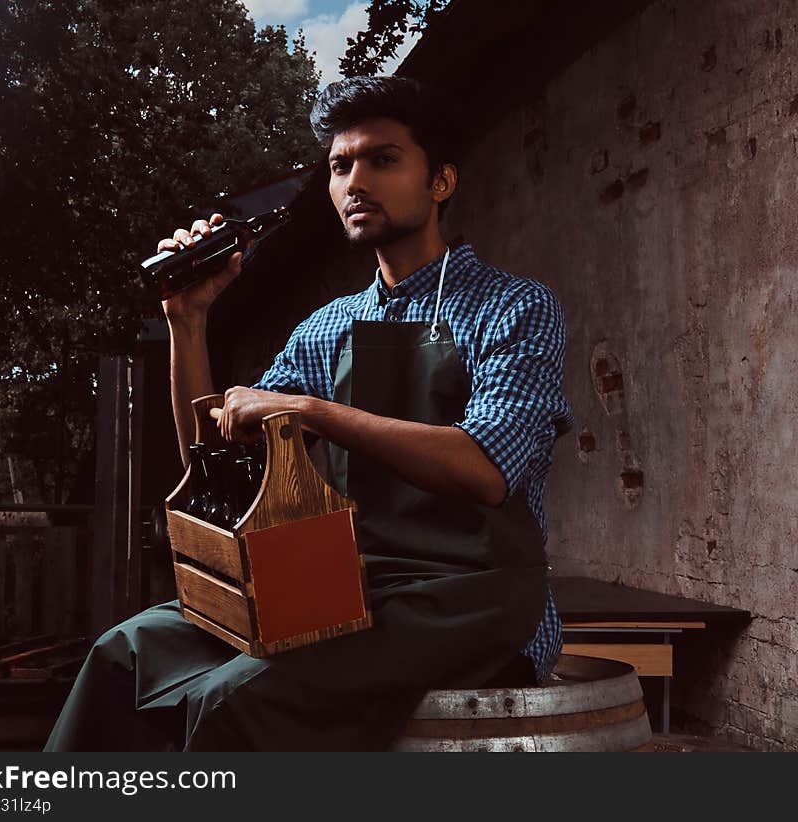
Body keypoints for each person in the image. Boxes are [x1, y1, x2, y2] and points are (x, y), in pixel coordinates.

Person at [43, 76, 574, 752]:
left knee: (229, 701)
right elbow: (221, 468)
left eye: (383, 160)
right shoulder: (326, 328)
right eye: (339, 165)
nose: (355, 182)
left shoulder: (515, 308)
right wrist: (189, 322)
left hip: (471, 601)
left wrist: (311, 409)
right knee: (124, 653)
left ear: (440, 181)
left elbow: (485, 470)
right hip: (344, 586)